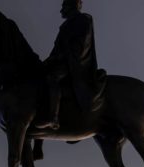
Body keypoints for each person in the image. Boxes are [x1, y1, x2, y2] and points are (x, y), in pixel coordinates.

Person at [35, 0, 99, 130]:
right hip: (63, 61)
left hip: (75, 63)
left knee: (52, 78)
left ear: (72, 6)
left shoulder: (82, 20)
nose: (61, 10)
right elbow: (57, 49)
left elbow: (81, 46)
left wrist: (60, 56)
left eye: (64, 6)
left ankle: (53, 117)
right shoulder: (65, 25)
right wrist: (48, 61)